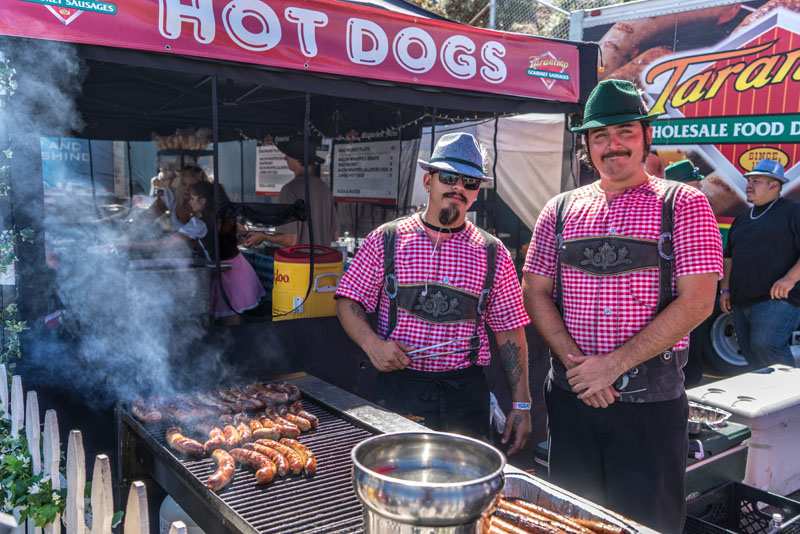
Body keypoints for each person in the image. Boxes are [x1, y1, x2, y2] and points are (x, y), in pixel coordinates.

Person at [523, 79, 722, 532]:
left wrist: (611, 366)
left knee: (647, 524)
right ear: (587, 145)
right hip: (573, 399)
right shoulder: (559, 209)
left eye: (625, 132)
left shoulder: (685, 204)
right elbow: (535, 290)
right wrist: (580, 367)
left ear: (646, 136)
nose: (613, 145)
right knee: (572, 521)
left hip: (648, 406)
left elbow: (698, 301)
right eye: (600, 136)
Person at [334, 132, 532, 453]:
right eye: (449, 177)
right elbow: (348, 300)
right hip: (400, 386)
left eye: (469, 182)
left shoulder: (493, 253)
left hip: (465, 393)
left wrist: (522, 404)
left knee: (461, 490)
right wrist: (373, 346)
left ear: (476, 192)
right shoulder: (387, 240)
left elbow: (510, 331)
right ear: (429, 181)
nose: (458, 189)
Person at [720, 159, 800, 369]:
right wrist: (725, 290)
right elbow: (729, 257)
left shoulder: (793, 212)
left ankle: (791, 398)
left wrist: (790, 279)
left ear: (774, 185)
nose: (749, 184)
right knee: (751, 353)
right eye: (749, 180)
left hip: (777, 299)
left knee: (767, 346)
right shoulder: (743, 218)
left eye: (756, 181)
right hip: (741, 300)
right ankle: (772, 399)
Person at [187, 179, 265, 324]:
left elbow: (175, 240)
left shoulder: (200, 223)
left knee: (230, 319)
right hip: (238, 267)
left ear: (203, 201)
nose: (190, 202)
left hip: (228, 272)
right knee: (232, 318)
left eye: (192, 198)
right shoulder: (224, 217)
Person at [243, 136, 338, 248]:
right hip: (324, 262)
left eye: (288, 155)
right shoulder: (325, 188)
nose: (285, 158)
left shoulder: (289, 190)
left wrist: (264, 236)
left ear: (298, 159)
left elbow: (290, 240)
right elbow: (335, 235)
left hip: (299, 262)